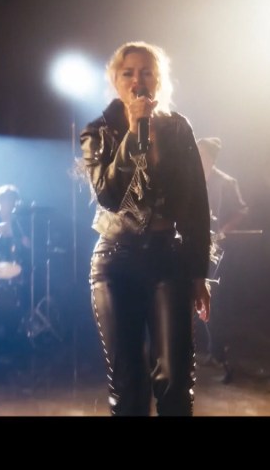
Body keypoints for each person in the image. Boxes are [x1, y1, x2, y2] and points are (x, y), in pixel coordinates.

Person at [80, 41, 211, 416]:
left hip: (168, 258)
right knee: (128, 384)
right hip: (115, 261)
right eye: (128, 73)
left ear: (158, 80)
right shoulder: (98, 132)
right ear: (115, 80)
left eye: (147, 72)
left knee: (174, 379)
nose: (138, 80)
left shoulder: (178, 128)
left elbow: (196, 204)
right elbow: (109, 195)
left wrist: (199, 273)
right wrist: (135, 131)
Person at [195, 136, 248, 381]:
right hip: (197, 247)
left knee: (215, 299)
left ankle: (224, 357)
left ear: (210, 156)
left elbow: (242, 210)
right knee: (201, 299)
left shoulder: (226, 182)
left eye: (200, 153)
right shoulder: (192, 180)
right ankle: (214, 350)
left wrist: (224, 231)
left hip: (220, 250)